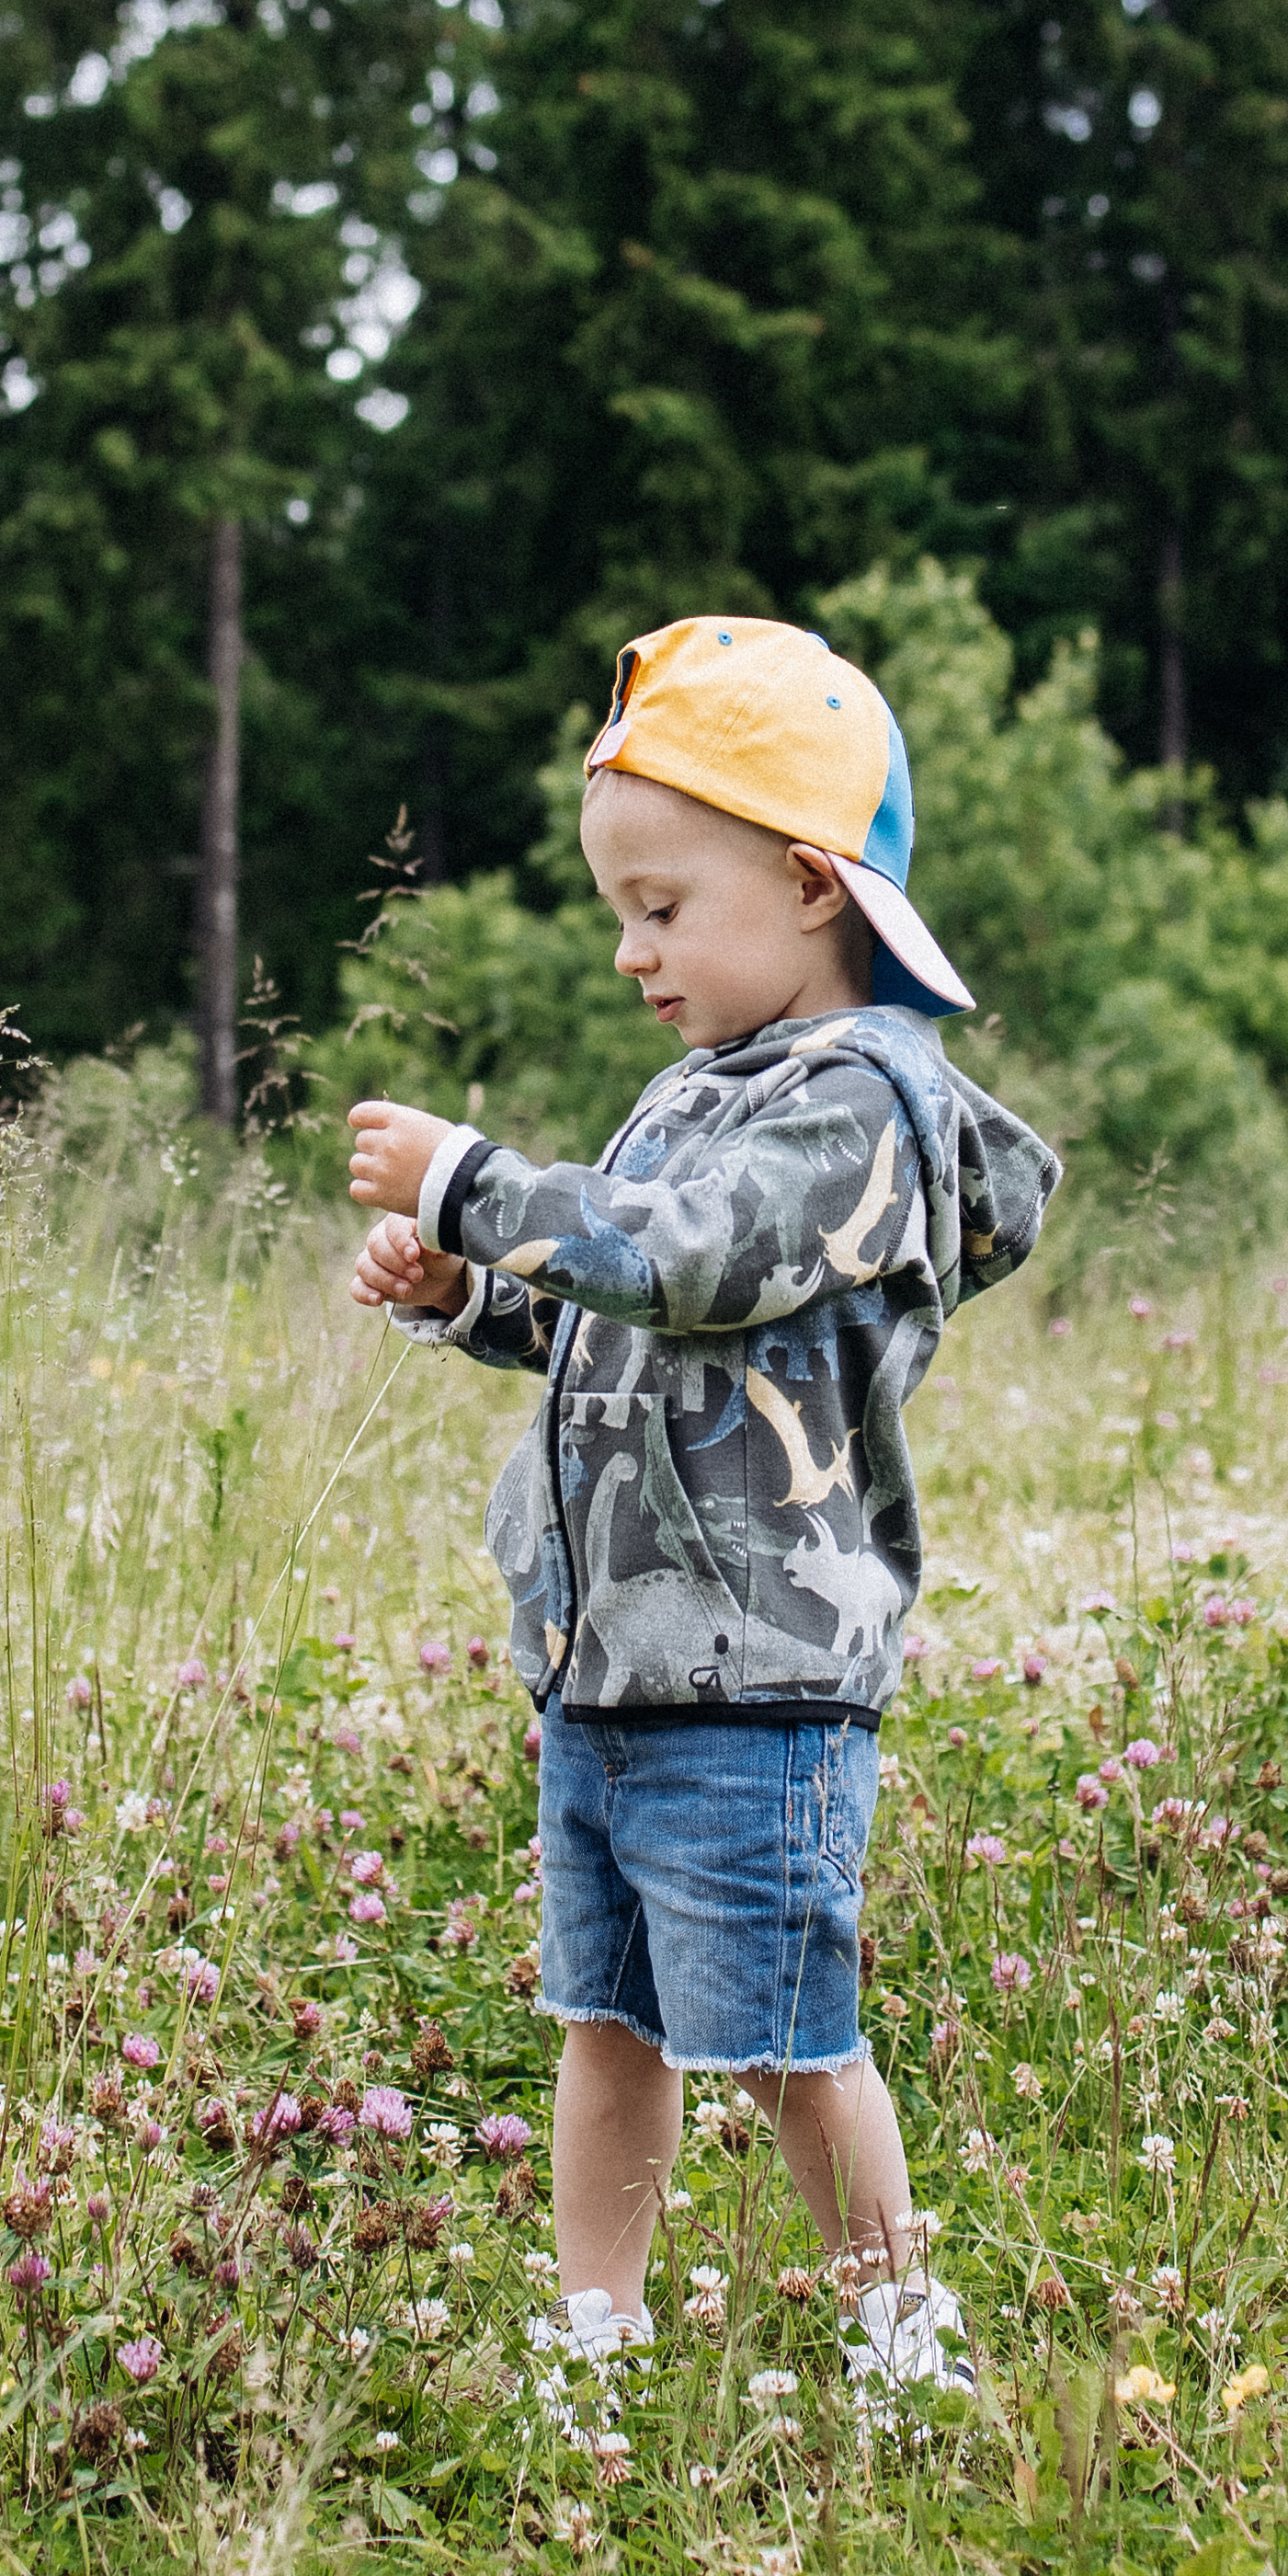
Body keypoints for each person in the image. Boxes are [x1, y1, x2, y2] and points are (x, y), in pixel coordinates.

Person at [346, 613, 1059, 2405]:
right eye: (620, 909)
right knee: (604, 2020)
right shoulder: (697, 1090)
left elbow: (694, 1260)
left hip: (757, 1678)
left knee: (789, 2043)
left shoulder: (861, 1111)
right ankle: (592, 2334)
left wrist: (477, 1180)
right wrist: (466, 1288)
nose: (627, 951)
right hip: (609, 1663)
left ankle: (902, 2337)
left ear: (811, 883)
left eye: (661, 906)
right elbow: (615, 1300)